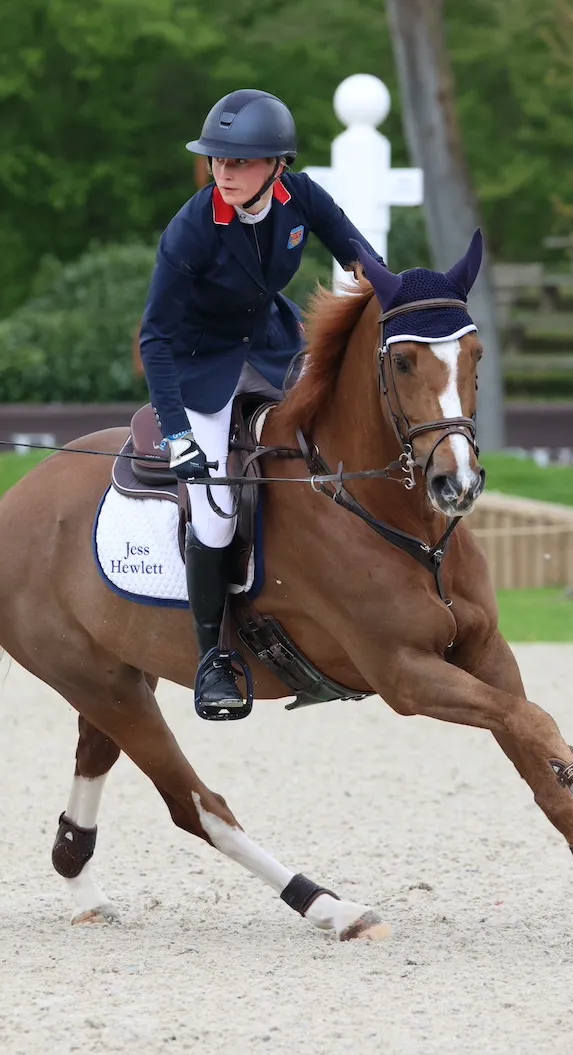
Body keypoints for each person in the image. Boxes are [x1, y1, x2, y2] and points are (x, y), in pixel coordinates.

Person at [137, 88, 384, 718]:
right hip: (201, 370)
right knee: (216, 512)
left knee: (323, 453)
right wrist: (177, 435)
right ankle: (211, 659)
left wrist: (407, 299)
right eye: (217, 160)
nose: (224, 171)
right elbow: (155, 339)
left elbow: (362, 258)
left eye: (239, 162)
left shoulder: (300, 197)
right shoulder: (191, 230)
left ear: (277, 165)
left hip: (276, 350)